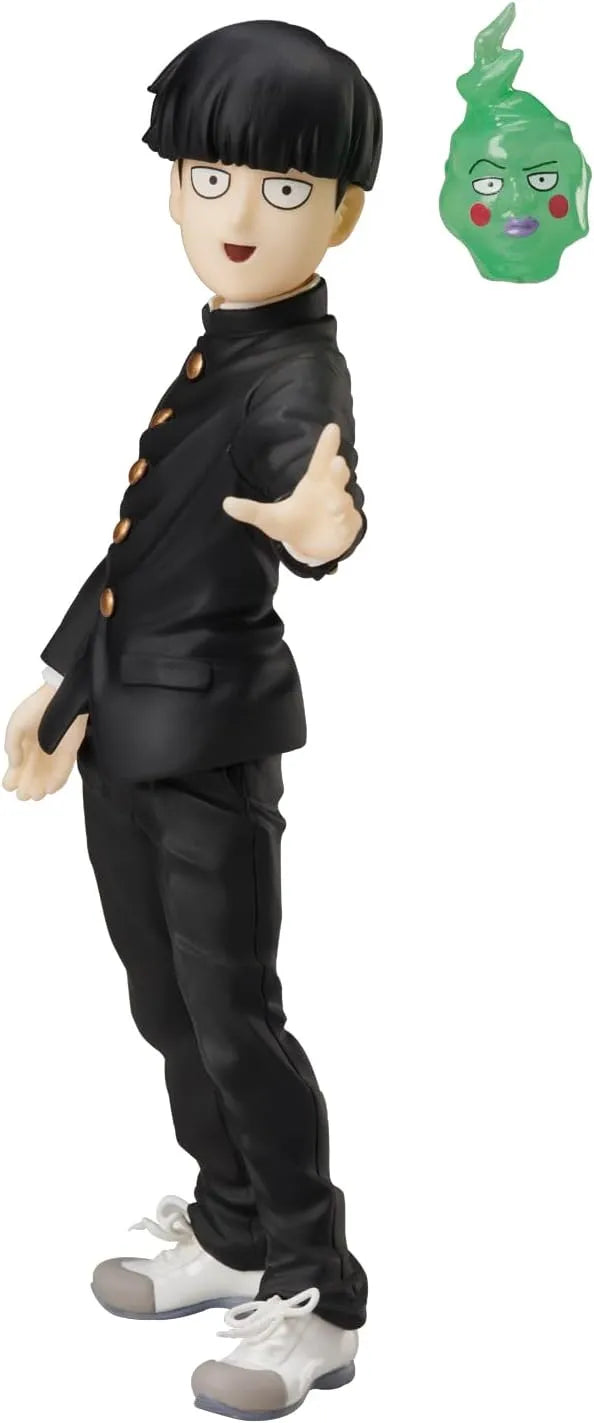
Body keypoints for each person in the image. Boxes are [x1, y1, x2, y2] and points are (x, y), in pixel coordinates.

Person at [2, 20, 382, 1420]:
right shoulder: (219, 348)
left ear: (341, 213)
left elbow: (312, 500)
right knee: (165, 1002)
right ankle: (230, 1225)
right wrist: (64, 683)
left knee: (234, 1017)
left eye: (285, 189)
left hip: (211, 740)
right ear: (172, 186)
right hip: (128, 731)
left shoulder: (294, 373)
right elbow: (142, 551)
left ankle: (318, 1288)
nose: (240, 214)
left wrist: (325, 530)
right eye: (213, 176)